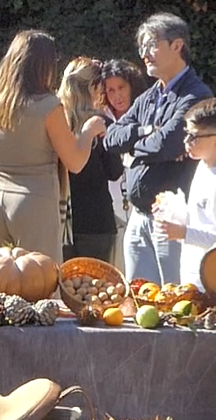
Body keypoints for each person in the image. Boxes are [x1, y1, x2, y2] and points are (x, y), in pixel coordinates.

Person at [0, 30, 105, 261]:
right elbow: (75, 162)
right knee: (40, 278)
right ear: (44, 66)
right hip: (35, 202)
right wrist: (88, 132)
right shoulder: (49, 107)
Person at [104, 12, 213, 284]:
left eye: (152, 44)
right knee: (140, 300)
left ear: (177, 45)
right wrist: (145, 132)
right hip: (138, 218)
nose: (144, 54)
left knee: (175, 299)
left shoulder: (196, 95)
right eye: (142, 47)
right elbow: (110, 139)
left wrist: (133, 149)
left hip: (172, 221)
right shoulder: (148, 97)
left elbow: (167, 143)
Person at [153, 98, 216, 289]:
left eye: (194, 136)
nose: (186, 141)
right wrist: (171, 212)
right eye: (186, 134)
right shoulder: (203, 167)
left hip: (215, 280)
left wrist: (185, 233)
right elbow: (200, 219)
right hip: (192, 273)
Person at [58, 57, 123, 262]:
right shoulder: (100, 123)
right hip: (96, 221)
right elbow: (114, 172)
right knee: (96, 280)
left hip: (61, 220)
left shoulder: (55, 121)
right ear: (93, 88)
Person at [99, 59, 149, 268]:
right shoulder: (100, 118)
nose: (117, 96)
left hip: (141, 200)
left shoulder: (145, 114)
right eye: (110, 90)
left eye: (121, 88)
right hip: (111, 207)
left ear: (132, 86)